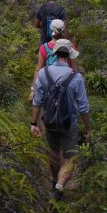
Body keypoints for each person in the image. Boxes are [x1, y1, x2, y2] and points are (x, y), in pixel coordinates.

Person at [29, 39, 91, 201]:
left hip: (49, 122)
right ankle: (60, 186)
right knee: (70, 158)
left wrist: (34, 123)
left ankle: (54, 181)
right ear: (70, 56)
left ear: (55, 54)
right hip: (69, 123)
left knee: (54, 151)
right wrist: (89, 129)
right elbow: (83, 107)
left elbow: (37, 101)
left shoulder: (44, 73)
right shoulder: (76, 77)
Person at [28, 20, 76, 101]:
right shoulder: (70, 46)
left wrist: (33, 90)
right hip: (66, 84)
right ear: (63, 31)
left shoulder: (44, 47)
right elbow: (74, 69)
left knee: (45, 106)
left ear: (50, 31)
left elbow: (38, 70)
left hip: (49, 84)